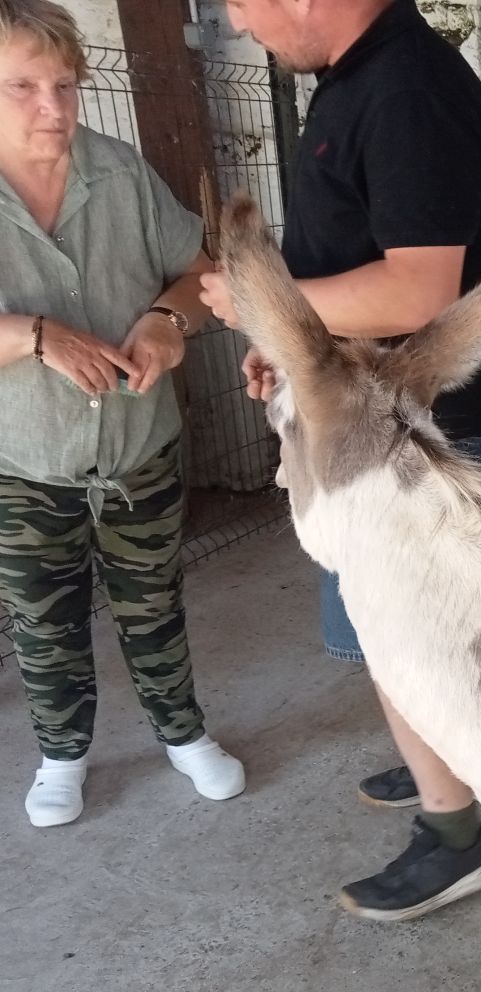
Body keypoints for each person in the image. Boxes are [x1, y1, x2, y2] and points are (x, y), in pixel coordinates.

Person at [203, 0, 481, 920]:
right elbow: (359, 272)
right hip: (373, 417)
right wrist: (293, 347)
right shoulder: (360, 77)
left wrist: (267, 307)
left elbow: (417, 290)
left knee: (400, 633)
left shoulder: (404, 91)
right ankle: (448, 753)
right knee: (420, 629)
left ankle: (456, 836)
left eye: (242, 1)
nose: (239, 22)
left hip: (411, 434)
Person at [0, 0, 245, 827]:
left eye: (65, 85)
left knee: (154, 603)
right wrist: (34, 335)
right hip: (25, 463)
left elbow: (200, 274)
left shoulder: (119, 171)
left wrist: (168, 321)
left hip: (139, 446)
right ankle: (62, 756)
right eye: (23, 87)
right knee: (44, 621)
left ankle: (183, 733)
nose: (53, 108)